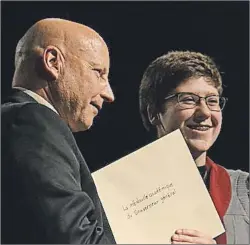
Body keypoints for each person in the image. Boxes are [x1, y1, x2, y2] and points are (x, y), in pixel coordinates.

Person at [1, 18, 116, 244]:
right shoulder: (32, 121)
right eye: (99, 73)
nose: (109, 93)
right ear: (53, 62)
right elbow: (76, 238)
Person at [139, 51, 249, 244]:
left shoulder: (245, 191)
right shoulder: (117, 193)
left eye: (212, 101)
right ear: (154, 113)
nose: (205, 112)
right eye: (188, 99)